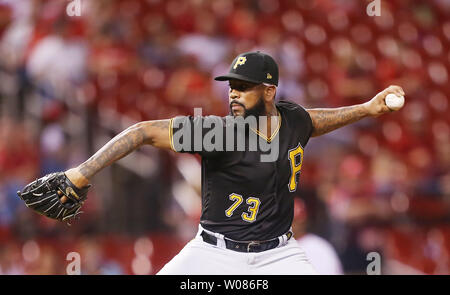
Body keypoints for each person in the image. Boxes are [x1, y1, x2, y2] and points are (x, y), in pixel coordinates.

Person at [60, 51, 404, 274]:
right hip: (213, 253)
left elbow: (316, 121)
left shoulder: (293, 120)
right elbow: (144, 132)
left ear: (269, 92)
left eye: (244, 86)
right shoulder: (216, 132)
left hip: (279, 256)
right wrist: (81, 172)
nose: (233, 93)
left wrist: (365, 109)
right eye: (231, 86)